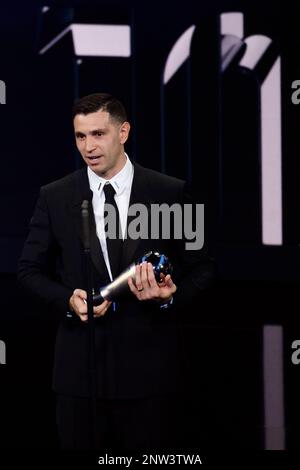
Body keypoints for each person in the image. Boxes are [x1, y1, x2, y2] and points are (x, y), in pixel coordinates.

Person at [18, 93, 214, 451]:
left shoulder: (170, 192)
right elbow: (28, 270)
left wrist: (171, 297)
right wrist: (67, 298)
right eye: (80, 136)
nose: (88, 146)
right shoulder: (56, 195)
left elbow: (204, 269)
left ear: (123, 132)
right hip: (80, 379)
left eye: (98, 134)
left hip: (151, 376)